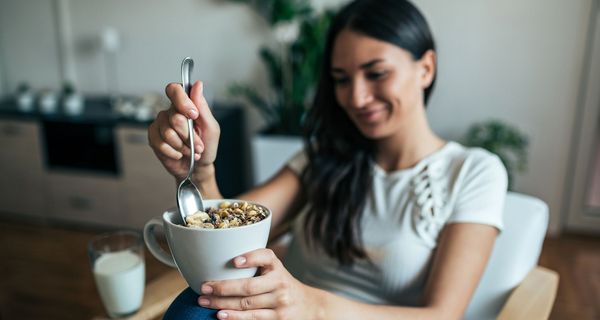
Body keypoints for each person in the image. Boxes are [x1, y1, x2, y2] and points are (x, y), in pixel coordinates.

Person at [148, 0, 508, 319]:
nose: (358, 97)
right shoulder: (324, 157)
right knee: (196, 307)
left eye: (376, 73)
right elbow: (233, 244)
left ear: (425, 68)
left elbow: (443, 315)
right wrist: (201, 168)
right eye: (341, 79)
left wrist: (311, 306)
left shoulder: (473, 172)